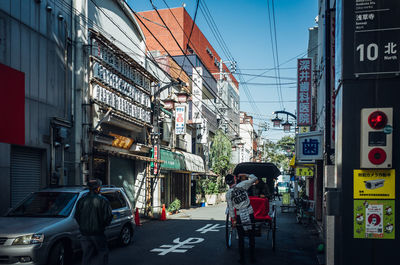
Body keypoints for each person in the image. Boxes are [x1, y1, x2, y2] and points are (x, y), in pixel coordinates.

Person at [75, 178, 113, 265]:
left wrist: (83, 226)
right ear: (98, 188)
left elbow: (77, 216)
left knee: (86, 254)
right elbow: (108, 217)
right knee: (102, 252)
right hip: (98, 233)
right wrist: (102, 226)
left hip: (84, 233)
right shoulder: (103, 200)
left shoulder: (81, 200)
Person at [225, 173, 257, 264]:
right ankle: (252, 258)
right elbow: (255, 178)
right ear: (235, 179)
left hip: (239, 215)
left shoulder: (228, 194)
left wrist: (234, 219)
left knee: (241, 238)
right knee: (251, 237)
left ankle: (242, 259)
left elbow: (231, 208)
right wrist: (246, 174)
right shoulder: (243, 184)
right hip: (249, 212)